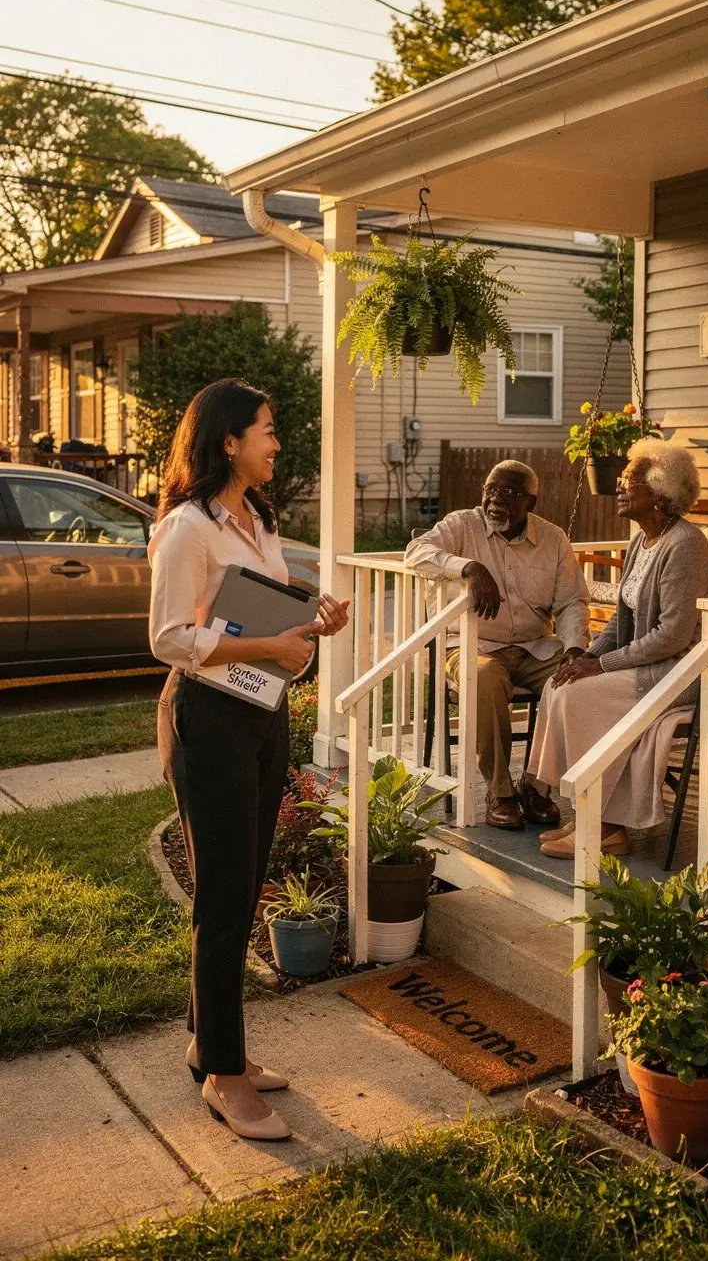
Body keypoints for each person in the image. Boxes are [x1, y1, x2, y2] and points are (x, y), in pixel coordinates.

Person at [148, 378, 349, 1141]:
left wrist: (311, 620)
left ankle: (213, 1047)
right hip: (208, 720)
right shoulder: (186, 529)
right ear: (228, 441)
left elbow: (260, 610)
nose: (276, 441)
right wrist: (269, 642)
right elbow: (169, 638)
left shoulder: (257, 519)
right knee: (223, 899)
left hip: (262, 714)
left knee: (242, 887)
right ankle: (224, 1079)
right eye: (267, 430)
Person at [531, 439, 708, 860]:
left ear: (661, 497)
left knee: (581, 697)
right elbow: (619, 622)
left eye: (632, 482)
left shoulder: (685, 546)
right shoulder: (640, 542)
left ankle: (605, 827)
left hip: (699, 667)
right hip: (664, 662)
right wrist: (586, 657)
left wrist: (603, 665)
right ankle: (593, 814)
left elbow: (673, 637)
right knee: (560, 685)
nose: (621, 488)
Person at [405, 460, 590, 830]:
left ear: (530, 502)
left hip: (534, 645)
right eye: (490, 489)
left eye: (508, 493)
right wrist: (469, 568)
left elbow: (571, 601)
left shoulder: (553, 539)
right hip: (471, 646)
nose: (494, 500)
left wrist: (573, 647)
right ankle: (500, 792)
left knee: (578, 678)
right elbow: (415, 552)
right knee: (485, 678)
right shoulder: (463, 525)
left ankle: (537, 786)